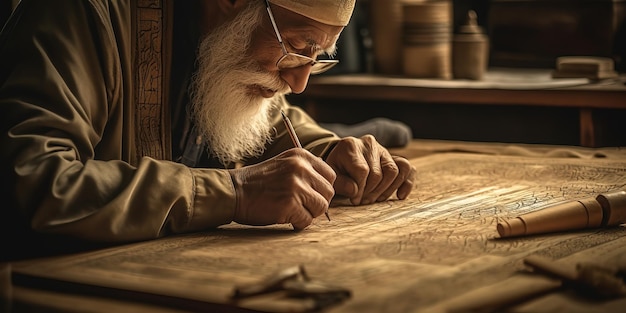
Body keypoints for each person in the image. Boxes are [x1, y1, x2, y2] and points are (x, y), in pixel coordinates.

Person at [0, 0, 416, 260]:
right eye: (298, 48)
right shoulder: (88, 13)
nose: (300, 82)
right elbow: (36, 182)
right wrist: (233, 193)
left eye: (318, 56)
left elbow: (263, 120)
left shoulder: (224, 41)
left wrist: (328, 155)